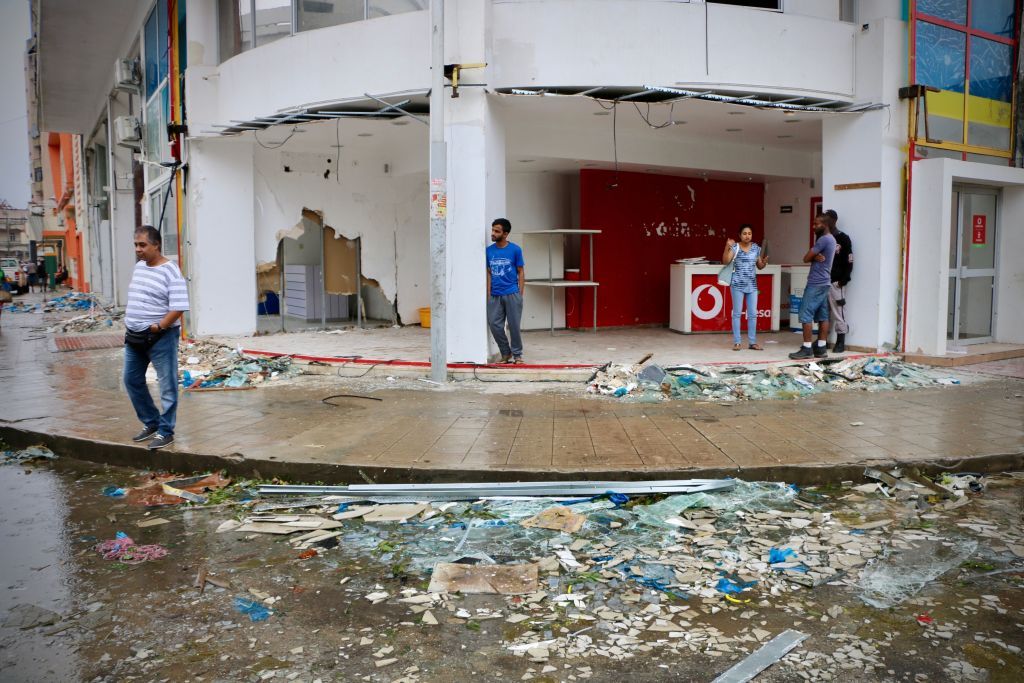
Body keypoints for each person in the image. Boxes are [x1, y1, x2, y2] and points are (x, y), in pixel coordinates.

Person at [123, 225, 190, 450]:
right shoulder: (140, 267)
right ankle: (151, 422)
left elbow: (179, 306)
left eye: (143, 245)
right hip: (134, 337)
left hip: (160, 336)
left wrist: (158, 327)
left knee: (167, 385)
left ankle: (166, 431)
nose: (138, 249)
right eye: (136, 245)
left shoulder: (171, 270)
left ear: (156, 245)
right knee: (131, 380)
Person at [789, 213, 837, 360]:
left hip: (816, 283)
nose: (814, 226)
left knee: (805, 314)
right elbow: (811, 257)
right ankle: (821, 347)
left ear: (825, 225)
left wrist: (813, 256)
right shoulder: (832, 239)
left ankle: (807, 348)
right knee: (823, 315)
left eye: (816, 224)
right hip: (825, 282)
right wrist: (815, 256)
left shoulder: (823, 240)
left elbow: (805, 258)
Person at [722, 224, 768, 351]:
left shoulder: (756, 249)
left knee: (753, 314)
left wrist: (763, 263)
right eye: (744, 233)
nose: (747, 236)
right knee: (737, 314)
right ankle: (737, 342)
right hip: (737, 285)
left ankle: (752, 342)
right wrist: (727, 247)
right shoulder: (735, 247)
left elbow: (759, 266)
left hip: (752, 286)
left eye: (749, 233)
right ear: (739, 235)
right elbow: (725, 261)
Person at [486, 217, 526, 364]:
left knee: (514, 326)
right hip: (495, 295)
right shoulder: (489, 251)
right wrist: (489, 292)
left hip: (512, 293)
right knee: (494, 324)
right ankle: (505, 352)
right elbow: (489, 272)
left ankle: (517, 355)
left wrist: (520, 293)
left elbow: (521, 271)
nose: (493, 233)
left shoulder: (515, 250)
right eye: (492, 230)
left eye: (497, 231)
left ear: (505, 234)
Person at [824, 209, 853, 353]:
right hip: (823, 281)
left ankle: (840, 340)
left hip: (837, 282)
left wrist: (844, 279)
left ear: (834, 221)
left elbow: (849, 260)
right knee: (823, 311)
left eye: (828, 220)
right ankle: (823, 340)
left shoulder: (843, 238)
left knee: (838, 311)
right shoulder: (823, 238)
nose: (826, 223)